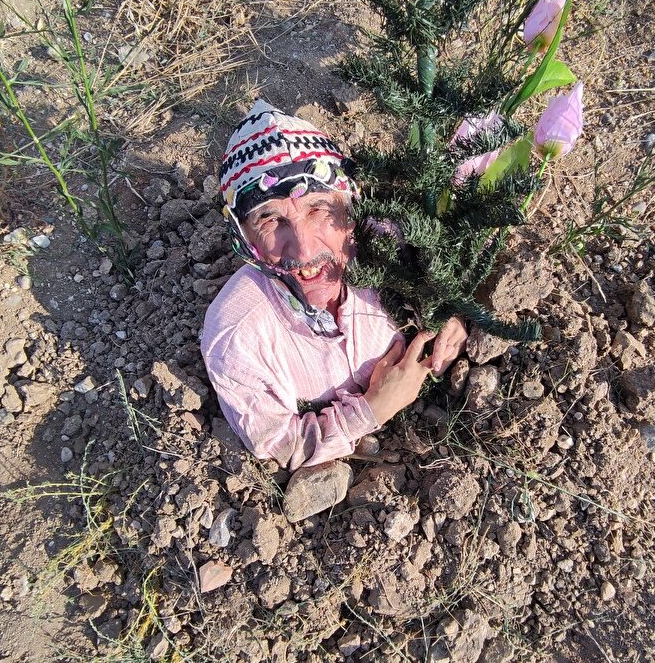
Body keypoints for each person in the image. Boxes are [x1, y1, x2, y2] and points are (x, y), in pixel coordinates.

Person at [200, 100, 467, 470]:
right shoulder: (235, 335)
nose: (305, 248)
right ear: (243, 238)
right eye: (270, 219)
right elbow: (282, 446)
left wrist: (448, 316)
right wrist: (374, 409)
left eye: (319, 210)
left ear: (349, 207)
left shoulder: (390, 246)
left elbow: (450, 282)